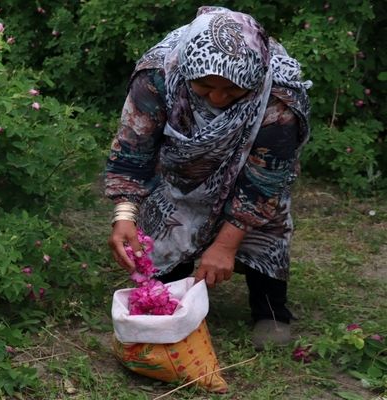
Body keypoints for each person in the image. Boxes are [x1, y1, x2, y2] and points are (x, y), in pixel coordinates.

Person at [105, 6, 311, 350]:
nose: (217, 98)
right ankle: (170, 294)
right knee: (165, 254)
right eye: (204, 88)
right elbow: (133, 149)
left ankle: (270, 310)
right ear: (188, 70)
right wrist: (124, 215)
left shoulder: (277, 95)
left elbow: (265, 182)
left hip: (251, 179)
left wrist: (226, 245)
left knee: (266, 226)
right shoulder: (158, 75)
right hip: (179, 179)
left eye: (232, 92)